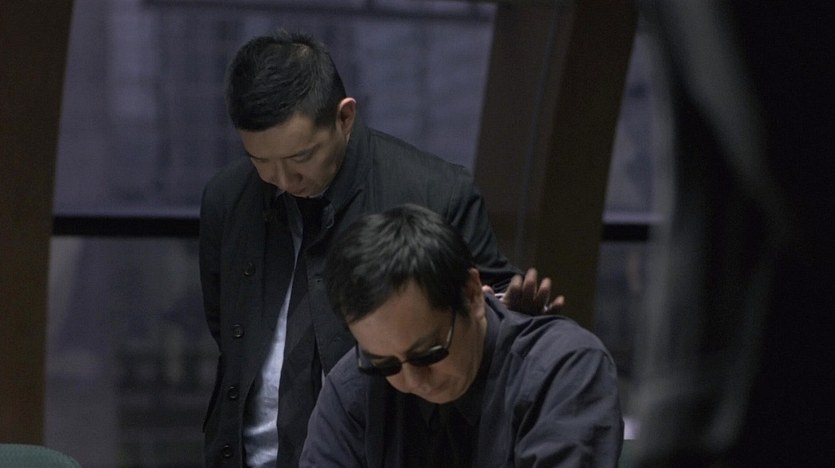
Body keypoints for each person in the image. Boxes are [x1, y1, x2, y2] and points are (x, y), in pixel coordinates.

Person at [199, 30, 562, 467]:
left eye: (301, 157)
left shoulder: (435, 193)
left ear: (345, 117)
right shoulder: (228, 199)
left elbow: (485, 328)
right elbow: (227, 330)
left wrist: (514, 315)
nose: (283, 180)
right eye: (261, 161)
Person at [300, 204, 623, 467]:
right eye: (385, 364)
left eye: (428, 353)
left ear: (471, 295)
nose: (412, 381)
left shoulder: (561, 369)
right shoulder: (353, 385)